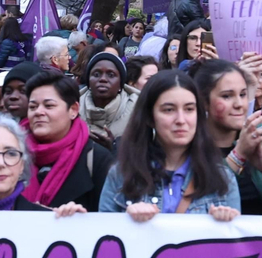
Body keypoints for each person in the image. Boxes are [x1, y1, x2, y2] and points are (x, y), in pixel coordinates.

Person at [98, 70, 240, 220]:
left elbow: (235, 241)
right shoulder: (121, 175)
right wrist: (127, 223)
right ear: (150, 117)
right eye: (169, 110)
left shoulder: (222, 178)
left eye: (189, 109)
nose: (181, 119)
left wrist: (224, 226)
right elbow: (104, 237)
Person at [194, 58, 262, 217]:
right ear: (203, 101)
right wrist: (237, 156)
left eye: (243, 94)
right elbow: (191, 204)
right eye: (227, 96)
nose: (239, 104)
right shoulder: (189, 145)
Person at [21, 71, 112, 208]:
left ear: (73, 110)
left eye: (49, 105)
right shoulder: (12, 154)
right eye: (33, 107)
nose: (38, 112)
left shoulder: (97, 160)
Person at [81, 51, 137, 144]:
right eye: (96, 74)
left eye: (111, 75)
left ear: (120, 85)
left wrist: (115, 148)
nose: (103, 79)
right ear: (88, 82)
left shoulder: (138, 110)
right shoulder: (72, 110)